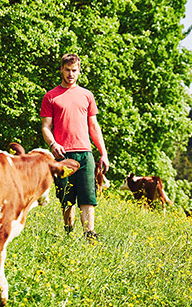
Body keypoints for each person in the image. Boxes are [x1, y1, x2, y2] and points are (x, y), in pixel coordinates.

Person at [40, 53, 109, 241]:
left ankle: (90, 236)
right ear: (61, 69)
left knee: (88, 197)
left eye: (75, 70)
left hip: (85, 153)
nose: (71, 74)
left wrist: (103, 153)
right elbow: (45, 127)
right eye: (68, 70)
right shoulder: (50, 97)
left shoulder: (87, 95)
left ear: (79, 71)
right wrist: (53, 143)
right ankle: (68, 235)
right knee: (66, 200)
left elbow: (94, 126)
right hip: (63, 155)